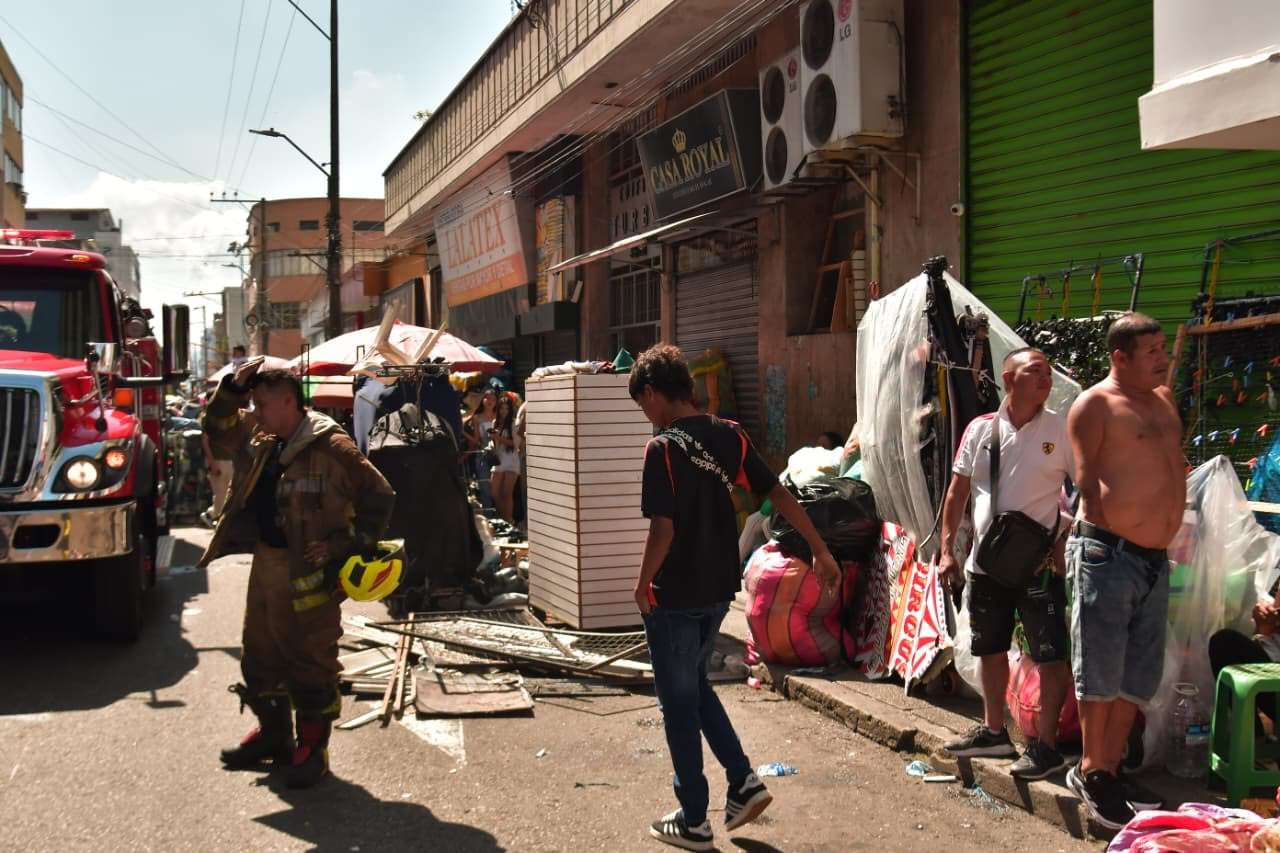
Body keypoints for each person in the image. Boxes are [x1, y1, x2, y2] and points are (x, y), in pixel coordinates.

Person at [629, 344, 841, 851]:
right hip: (718, 590)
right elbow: (781, 493)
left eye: (643, 404)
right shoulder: (730, 435)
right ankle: (743, 781)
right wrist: (820, 550)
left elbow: (663, 528)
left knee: (677, 705)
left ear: (654, 393)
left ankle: (695, 818)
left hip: (675, 594)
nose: (646, 415)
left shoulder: (661, 449)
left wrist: (642, 585)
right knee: (695, 689)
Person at [200, 360, 395, 789]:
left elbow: (379, 493)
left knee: (311, 662)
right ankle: (275, 738)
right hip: (268, 564)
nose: (257, 412)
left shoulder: (332, 446)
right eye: (254, 404)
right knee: (260, 655)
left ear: (290, 402)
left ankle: (313, 752)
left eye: (264, 404)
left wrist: (346, 545)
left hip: (311, 573)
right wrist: (233, 388)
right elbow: (217, 427)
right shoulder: (264, 437)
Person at [1064, 312, 1185, 829]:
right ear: (1120, 356)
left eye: (1163, 347)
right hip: (1108, 554)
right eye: (1153, 350)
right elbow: (1086, 485)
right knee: (1101, 669)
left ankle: (1110, 768)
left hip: (1155, 559)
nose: (1164, 356)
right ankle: (1092, 771)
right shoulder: (1094, 405)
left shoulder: (1162, 400)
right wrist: (1114, 540)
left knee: (1138, 675)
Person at [939, 348, 1074, 779]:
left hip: (1037, 568)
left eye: (1049, 373)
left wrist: (1063, 540)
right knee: (990, 647)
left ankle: (1046, 747)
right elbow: (957, 493)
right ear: (1008, 378)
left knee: (1049, 654)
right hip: (987, 564)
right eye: (1036, 372)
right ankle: (995, 732)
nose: (1046, 380)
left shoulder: (1061, 429)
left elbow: (1085, 488)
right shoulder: (980, 430)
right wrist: (947, 551)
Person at [489, 393, 521, 523]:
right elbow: (493, 441)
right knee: (495, 493)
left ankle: (508, 520)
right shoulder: (494, 423)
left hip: (511, 460)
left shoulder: (514, 424)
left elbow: (515, 443)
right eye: (502, 408)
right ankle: (504, 518)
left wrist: (499, 438)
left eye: (506, 408)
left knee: (507, 493)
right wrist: (492, 443)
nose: (504, 411)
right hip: (498, 459)